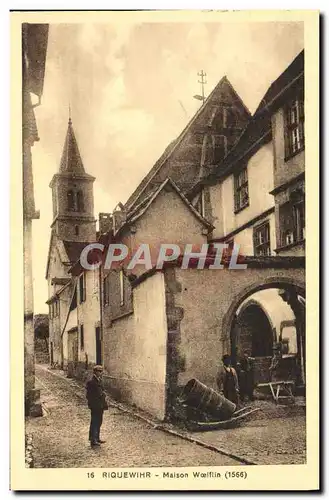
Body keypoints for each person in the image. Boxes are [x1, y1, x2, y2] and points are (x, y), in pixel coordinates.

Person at [86, 365, 108, 447]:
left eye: (101, 371)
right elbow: (89, 395)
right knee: (94, 422)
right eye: (99, 371)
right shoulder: (91, 382)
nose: (101, 373)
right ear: (95, 372)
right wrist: (93, 403)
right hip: (95, 405)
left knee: (99, 422)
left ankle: (97, 437)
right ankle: (93, 439)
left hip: (100, 405)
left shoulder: (99, 380)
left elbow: (102, 390)